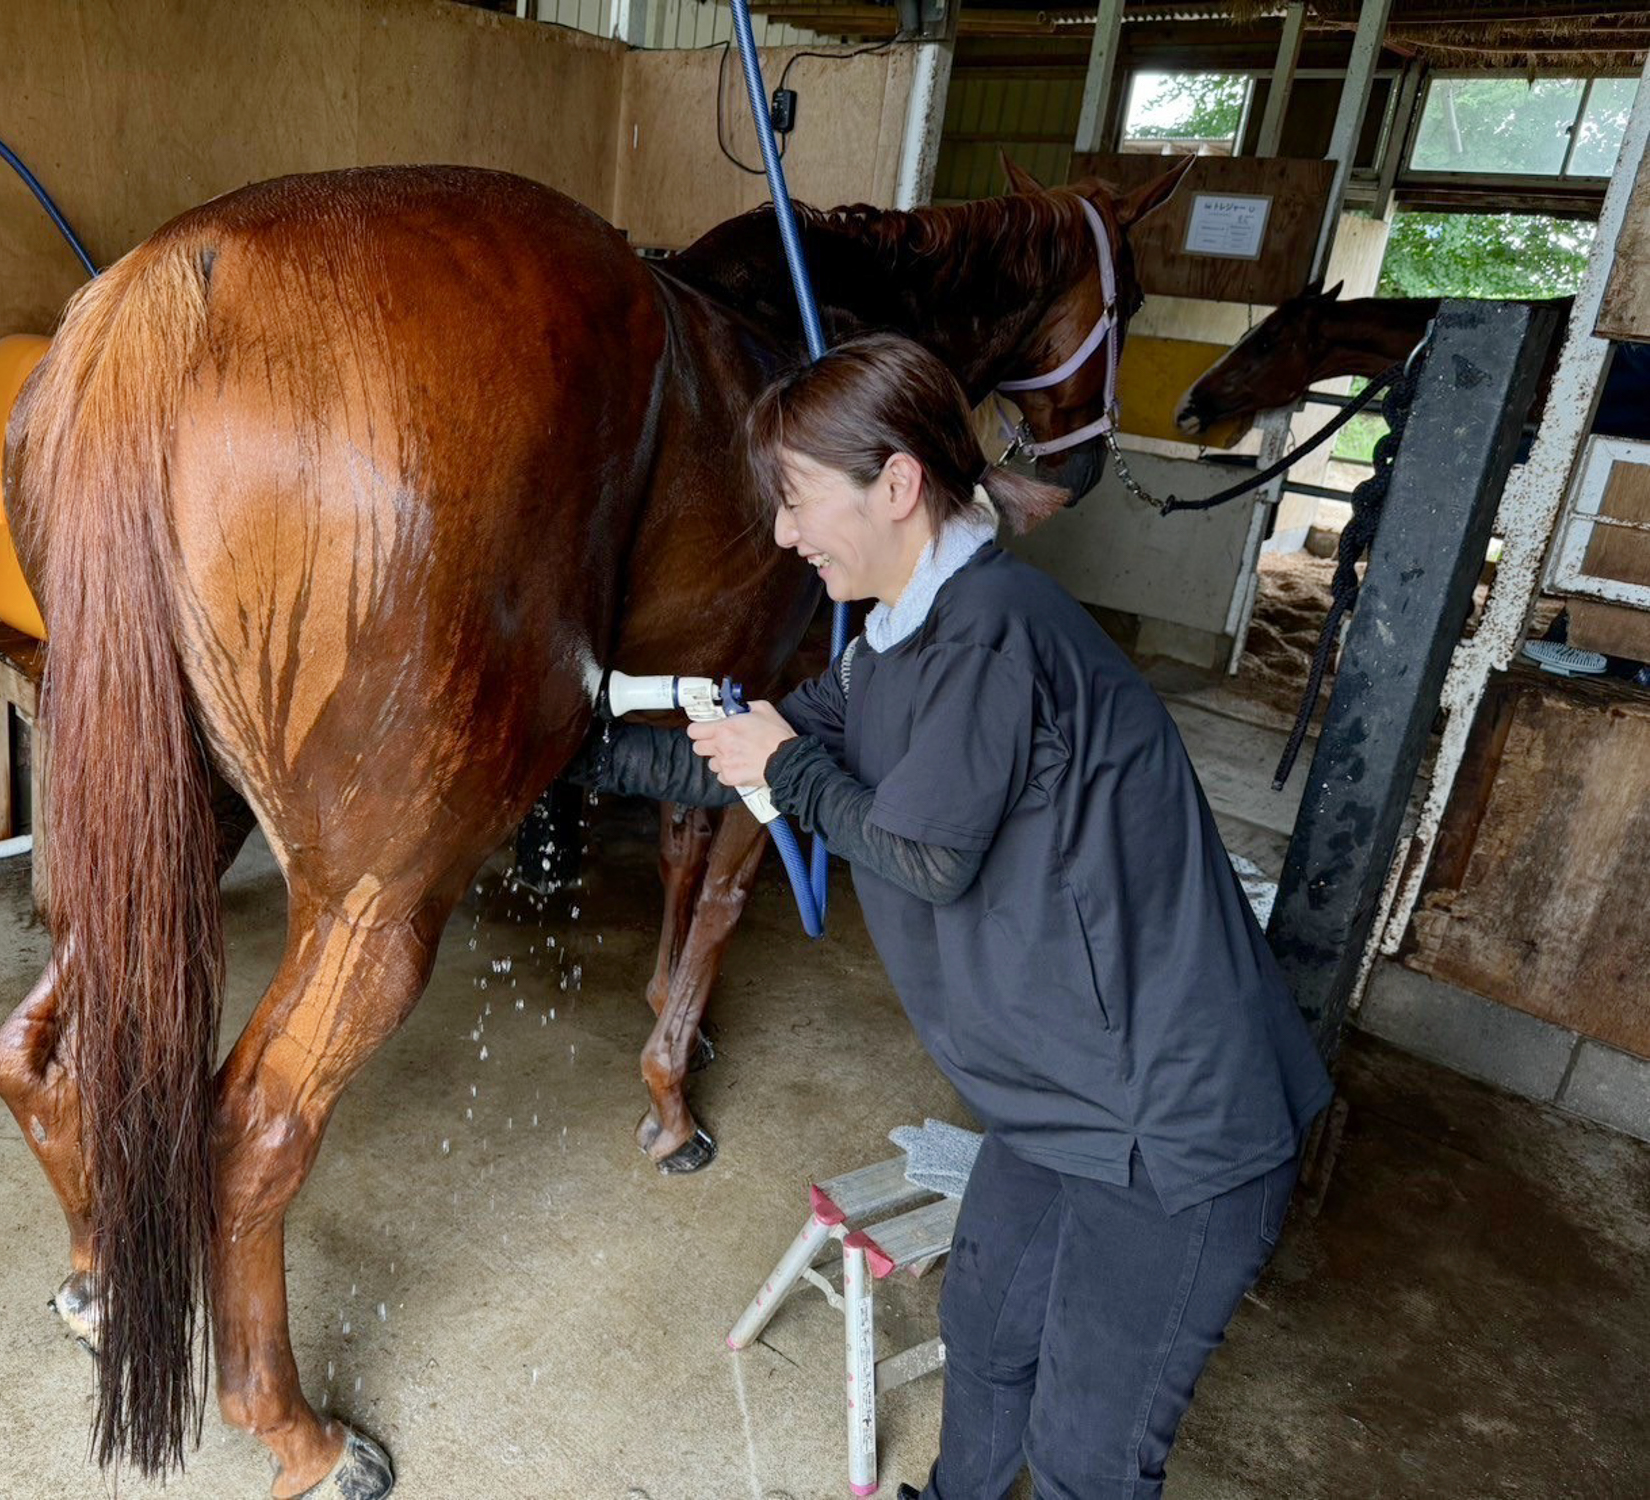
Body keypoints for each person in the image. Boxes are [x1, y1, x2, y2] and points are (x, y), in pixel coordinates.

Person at [571, 332, 1333, 1500]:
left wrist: (789, 772)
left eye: (794, 502)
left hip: (1169, 1126)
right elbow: (750, 754)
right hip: (1054, 1104)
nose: (782, 536)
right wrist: (566, 748)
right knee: (985, 1336)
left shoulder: (994, 629)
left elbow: (919, 855)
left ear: (896, 484)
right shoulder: (894, 643)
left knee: (1086, 1453)